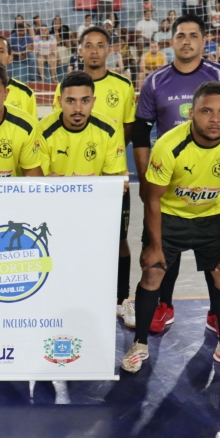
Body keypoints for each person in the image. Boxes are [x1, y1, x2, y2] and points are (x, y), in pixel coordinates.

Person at [122, 81, 220, 378]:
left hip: (212, 217)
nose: (215, 119)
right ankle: (140, 344)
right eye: (206, 111)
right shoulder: (169, 145)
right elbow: (153, 199)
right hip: (170, 216)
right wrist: (154, 246)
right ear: (191, 113)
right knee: (153, 271)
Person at [131, 14, 220, 335]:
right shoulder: (155, 81)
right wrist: (145, 179)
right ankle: (162, 304)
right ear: (171, 41)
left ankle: (216, 313)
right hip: (167, 179)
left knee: (214, 251)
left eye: (193, 35)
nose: (187, 40)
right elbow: (142, 135)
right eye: (181, 35)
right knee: (160, 250)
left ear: (203, 41)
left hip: (211, 182)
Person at [52, 26, 137, 324]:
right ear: (80, 49)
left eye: (100, 45)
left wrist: (106, 155)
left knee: (117, 240)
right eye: (88, 45)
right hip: (69, 183)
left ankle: (121, 298)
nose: (94, 50)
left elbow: (128, 128)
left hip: (106, 172)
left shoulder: (123, 87)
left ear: (109, 49)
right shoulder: (63, 92)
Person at [40, 70, 126, 177]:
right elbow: (39, 183)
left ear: (93, 102)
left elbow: (110, 182)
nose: (78, 109)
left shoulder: (110, 130)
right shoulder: (41, 132)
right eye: (71, 101)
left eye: (85, 101)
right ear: (60, 101)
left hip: (95, 194)